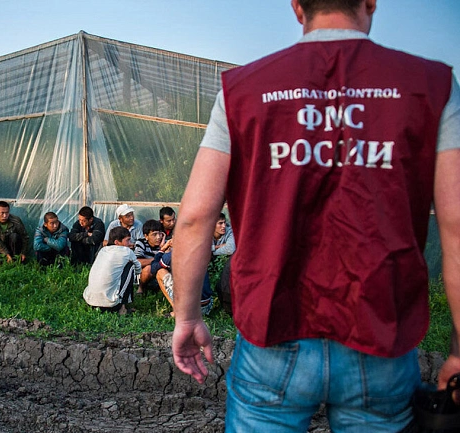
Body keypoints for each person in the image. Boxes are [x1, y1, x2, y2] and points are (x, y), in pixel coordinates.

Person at [171, 1, 460, 432]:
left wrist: (187, 316)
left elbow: (195, 217)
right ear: (370, 2)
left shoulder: (243, 89)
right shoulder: (430, 85)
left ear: (297, 7)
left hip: (274, 330)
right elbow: (456, 225)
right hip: (379, 332)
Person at [83, 226, 141, 314]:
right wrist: (136, 280)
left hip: (90, 301)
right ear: (117, 242)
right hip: (110, 304)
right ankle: (122, 308)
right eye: (127, 240)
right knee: (130, 267)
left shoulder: (103, 250)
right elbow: (138, 266)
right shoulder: (126, 251)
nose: (130, 243)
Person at [134, 219, 169, 292]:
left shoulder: (165, 244)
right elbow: (138, 262)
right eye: (154, 234)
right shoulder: (141, 242)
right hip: (146, 275)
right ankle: (141, 288)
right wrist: (157, 259)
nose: (158, 237)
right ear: (146, 236)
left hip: (160, 272)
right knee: (148, 268)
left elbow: (169, 261)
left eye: (160, 233)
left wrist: (163, 248)